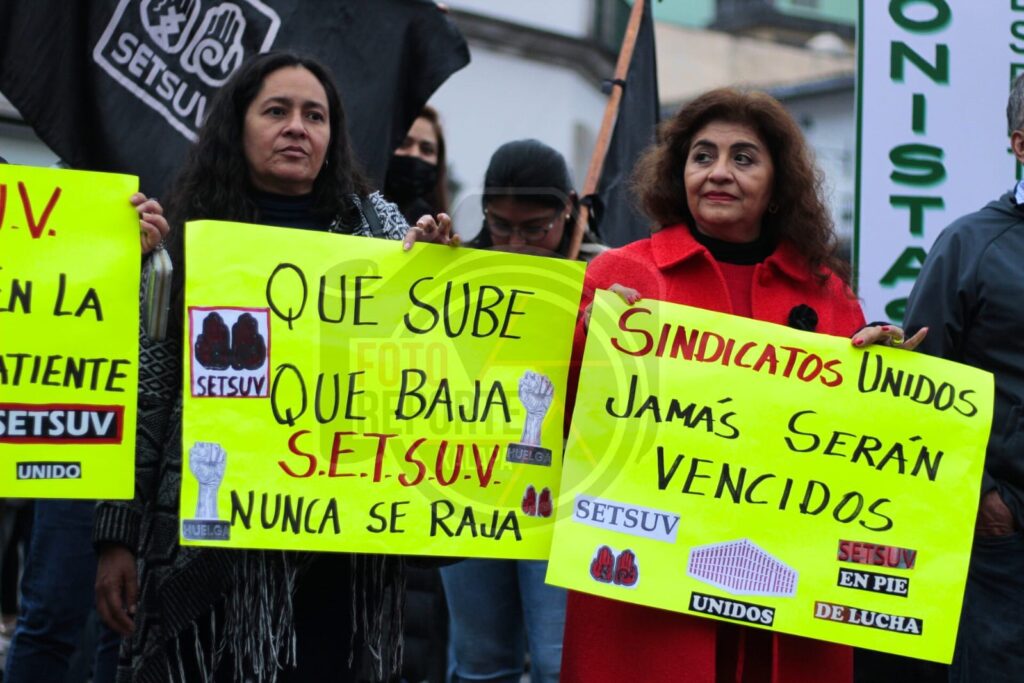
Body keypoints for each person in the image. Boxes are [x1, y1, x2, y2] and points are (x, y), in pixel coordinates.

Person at [92, 51, 451, 683]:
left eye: (315, 116)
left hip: (338, 554)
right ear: (238, 125)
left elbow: (428, 383)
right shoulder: (181, 240)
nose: (296, 128)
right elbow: (143, 396)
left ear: (333, 136)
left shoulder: (386, 239)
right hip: (207, 552)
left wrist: (437, 280)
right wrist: (116, 534)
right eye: (276, 111)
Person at [561, 88, 912, 683]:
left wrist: (887, 378)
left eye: (743, 158)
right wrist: (585, 345)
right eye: (702, 156)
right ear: (680, 174)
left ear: (778, 184)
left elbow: (856, 449)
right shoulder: (620, 276)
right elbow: (559, 421)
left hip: (783, 590)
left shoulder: (829, 294)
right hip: (647, 602)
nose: (719, 172)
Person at [439, 139, 599, 683]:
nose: (515, 243)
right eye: (500, 225)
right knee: (480, 663)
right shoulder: (454, 271)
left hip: (561, 498)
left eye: (535, 229)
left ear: (570, 209)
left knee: (559, 664)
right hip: (471, 488)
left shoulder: (604, 277)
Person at [3, 179, 167, 683]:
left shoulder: (213, 189)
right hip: (81, 432)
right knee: (53, 614)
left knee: (126, 627)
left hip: (152, 440)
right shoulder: (62, 190)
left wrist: (153, 262)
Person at [899, 73, 1024, 683]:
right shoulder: (969, 244)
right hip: (1006, 532)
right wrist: (985, 501)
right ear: (1021, 143)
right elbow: (920, 387)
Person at [385, 105, 449, 225]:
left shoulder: (441, 231)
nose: (414, 154)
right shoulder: (356, 216)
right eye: (404, 144)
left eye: (427, 149)